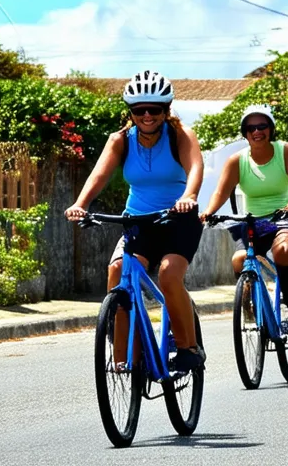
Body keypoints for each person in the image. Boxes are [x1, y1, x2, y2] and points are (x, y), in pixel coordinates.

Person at [64, 70, 207, 372]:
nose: (146, 115)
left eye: (154, 109)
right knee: (117, 271)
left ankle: (188, 347)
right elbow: (98, 175)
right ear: (130, 111)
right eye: (138, 109)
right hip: (138, 221)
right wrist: (80, 204)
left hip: (178, 219)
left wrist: (190, 195)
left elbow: (195, 166)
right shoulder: (120, 140)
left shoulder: (180, 135)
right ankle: (124, 358)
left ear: (166, 110)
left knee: (169, 275)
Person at [201, 104, 288, 332]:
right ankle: (249, 305)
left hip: (284, 218)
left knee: (282, 254)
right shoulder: (237, 161)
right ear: (245, 132)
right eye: (251, 128)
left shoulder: (286, 151)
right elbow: (221, 192)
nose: (256, 131)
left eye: (262, 126)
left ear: (270, 129)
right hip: (253, 222)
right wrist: (208, 212)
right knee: (239, 260)